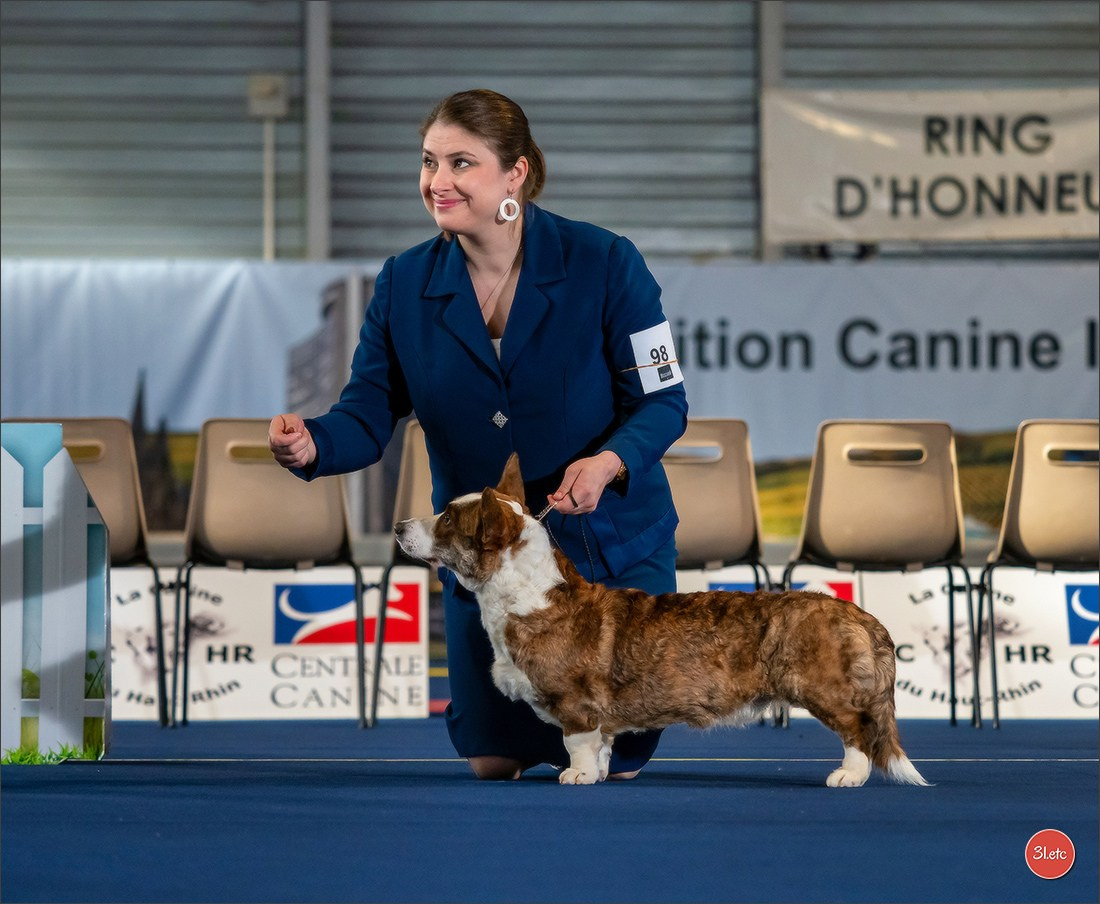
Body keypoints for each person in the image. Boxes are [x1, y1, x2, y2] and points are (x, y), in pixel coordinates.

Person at [269, 89, 688, 780]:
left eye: (462, 162)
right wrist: (314, 444)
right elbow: (367, 413)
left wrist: (609, 460)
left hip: (608, 557)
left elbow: (663, 402)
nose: (438, 181)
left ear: (515, 174)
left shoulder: (609, 262)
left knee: (614, 763)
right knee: (493, 760)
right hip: (490, 570)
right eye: (430, 161)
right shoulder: (403, 282)